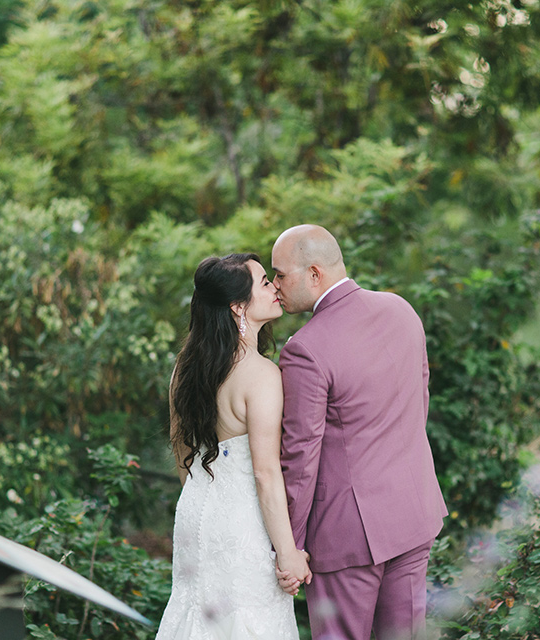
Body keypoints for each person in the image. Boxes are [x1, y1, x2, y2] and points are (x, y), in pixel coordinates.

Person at [271, 225, 447, 640]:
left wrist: (290, 548)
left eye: (280, 274)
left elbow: (300, 460)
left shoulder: (305, 349)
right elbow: (417, 407)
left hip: (348, 538)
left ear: (314, 274)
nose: (275, 284)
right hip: (412, 511)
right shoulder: (401, 309)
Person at [155, 253, 309, 639]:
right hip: (243, 524)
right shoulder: (261, 374)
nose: (274, 287)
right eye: (263, 283)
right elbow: (265, 473)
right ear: (238, 306)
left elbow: (183, 455)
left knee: (197, 617)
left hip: (194, 512)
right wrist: (288, 553)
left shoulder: (185, 369)